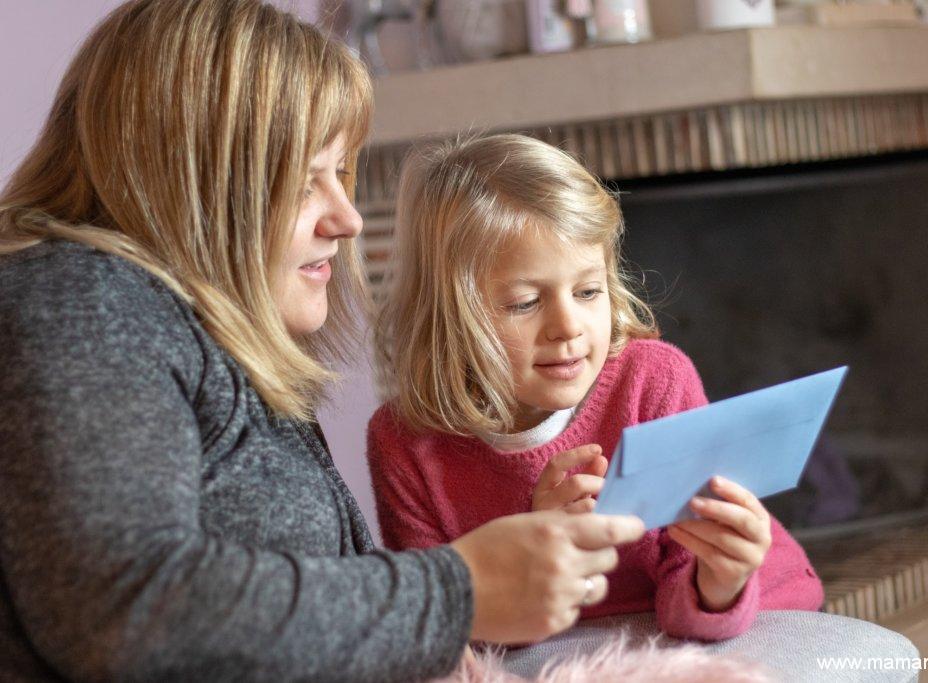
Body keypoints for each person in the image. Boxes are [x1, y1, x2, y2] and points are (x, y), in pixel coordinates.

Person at [0, 3, 646, 681]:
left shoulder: (205, 337)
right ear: (192, 179)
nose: (345, 217)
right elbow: (123, 609)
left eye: (342, 173)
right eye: (308, 178)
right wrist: (460, 589)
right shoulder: (79, 300)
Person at [368, 134, 826, 643]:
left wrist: (722, 579)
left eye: (588, 292)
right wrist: (537, 554)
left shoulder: (653, 382)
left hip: (750, 612)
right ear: (449, 319)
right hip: (582, 647)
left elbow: (688, 605)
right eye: (523, 302)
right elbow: (442, 627)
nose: (568, 326)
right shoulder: (405, 442)